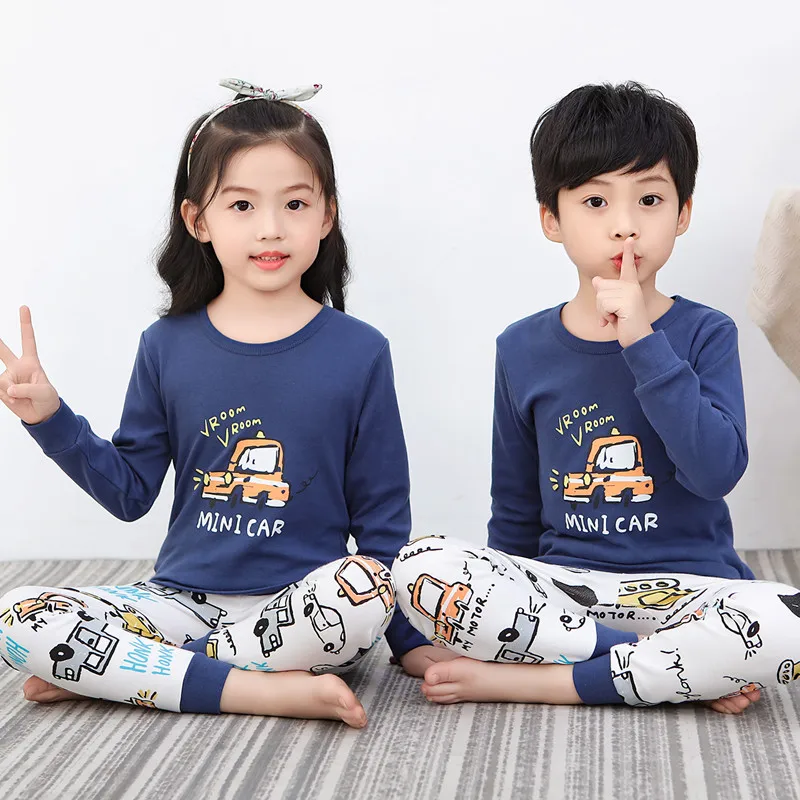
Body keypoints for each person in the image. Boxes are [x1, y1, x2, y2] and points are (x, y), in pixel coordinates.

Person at [0, 79, 428, 727]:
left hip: (305, 613)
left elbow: (382, 521)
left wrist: (410, 644)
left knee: (366, 589)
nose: (270, 228)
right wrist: (49, 420)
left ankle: (136, 674)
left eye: (295, 203)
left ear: (326, 216)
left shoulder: (360, 351)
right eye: (242, 205)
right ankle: (253, 688)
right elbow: (129, 493)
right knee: (19, 617)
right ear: (197, 220)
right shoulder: (165, 346)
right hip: (181, 603)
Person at [394, 82, 800, 714]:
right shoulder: (522, 347)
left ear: (683, 213)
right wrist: (499, 593)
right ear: (551, 220)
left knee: (787, 624)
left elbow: (715, 472)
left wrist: (642, 341)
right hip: (566, 594)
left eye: (650, 199)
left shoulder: (706, 333)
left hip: (689, 592)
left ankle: (537, 678)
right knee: (419, 566)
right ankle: (662, 669)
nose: (625, 225)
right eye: (594, 200)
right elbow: (516, 508)